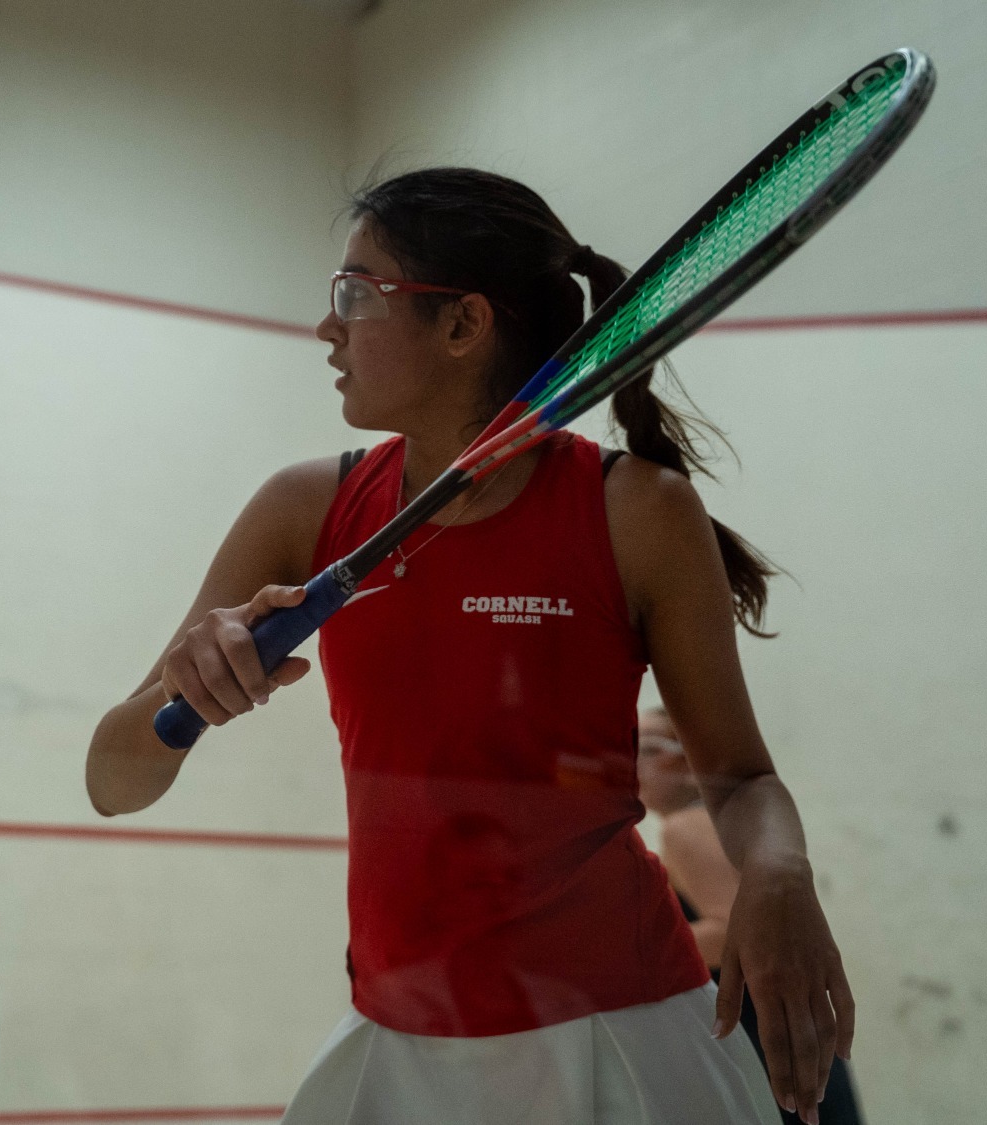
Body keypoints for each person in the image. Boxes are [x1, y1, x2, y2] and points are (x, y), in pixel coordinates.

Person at [85, 167, 852, 1125]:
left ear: (462, 325)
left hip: (624, 1031)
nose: (329, 326)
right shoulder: (304, 508)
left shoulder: (635, 512)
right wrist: (188, 702)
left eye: (358, 295)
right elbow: (112, 780)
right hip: (400, 1038)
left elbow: (737, 778)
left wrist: (779, 875)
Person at [638, 706, 866, 1125]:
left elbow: (730, 935)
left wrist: (621, 954)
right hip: (781, 1028)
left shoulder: (686, 826)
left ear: (689, 760)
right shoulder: (710, 825)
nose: (632, 762)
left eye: (648, 748)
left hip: (763, 1033)